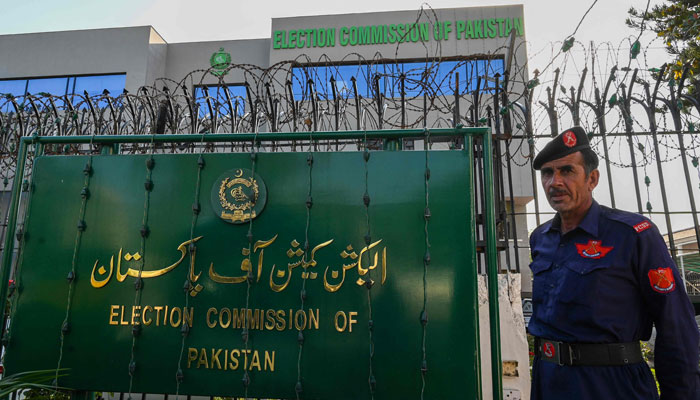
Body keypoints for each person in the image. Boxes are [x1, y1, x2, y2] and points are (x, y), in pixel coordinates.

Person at [528, 126, 700, 399]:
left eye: (567, 171)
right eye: (547, 173)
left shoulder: (633, 234)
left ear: (592, 179)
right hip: (549, 382)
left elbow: (675, 323)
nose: (555, 182)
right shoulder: (540, 238)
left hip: (612, 385)